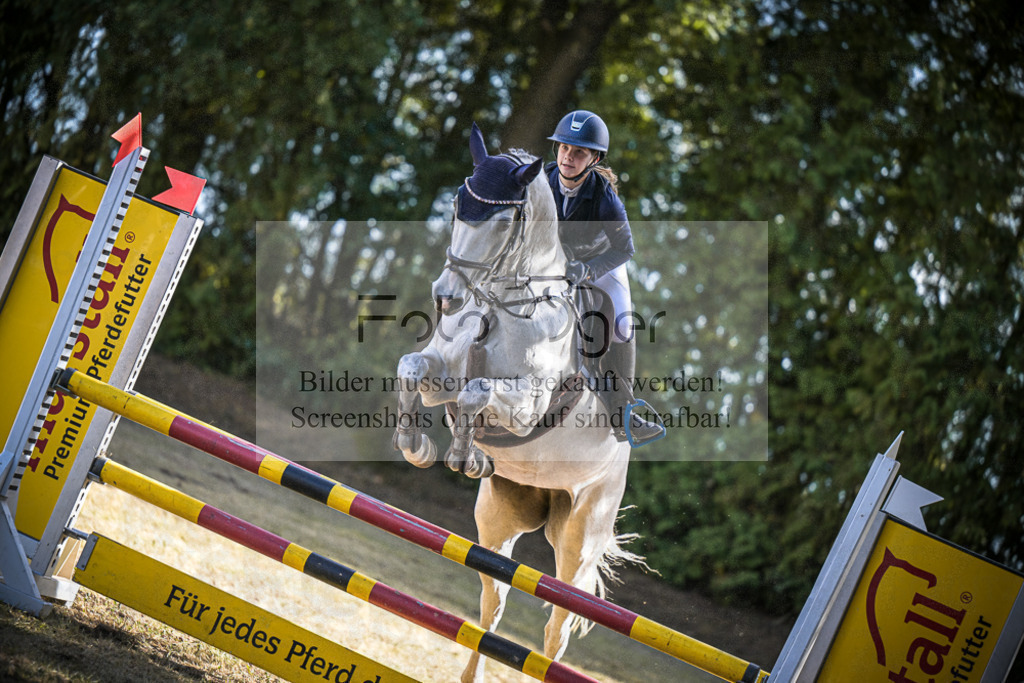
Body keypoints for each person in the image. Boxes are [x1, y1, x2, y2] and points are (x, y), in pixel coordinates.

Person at [546, 110, 664, 445]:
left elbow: (625, 248)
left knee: (624, 323)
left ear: (594, 158)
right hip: (557, 261)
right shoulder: (542, 180)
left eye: (579, 151)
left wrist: (590, 269)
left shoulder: (604, 195)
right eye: (564, 148)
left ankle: (623, 411)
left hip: (603, 263)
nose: (569, 156)